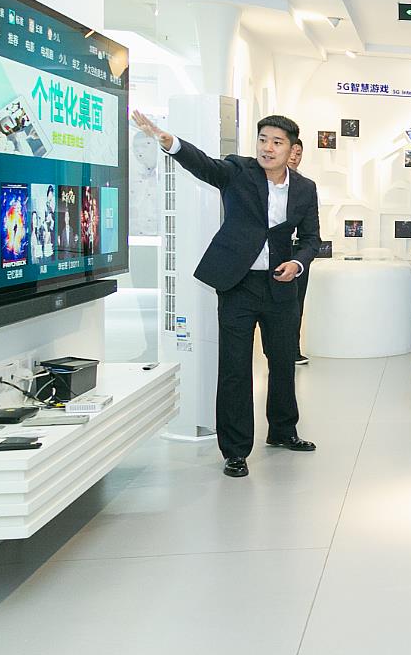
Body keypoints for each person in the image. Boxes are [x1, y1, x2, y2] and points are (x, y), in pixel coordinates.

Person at [131, 109, 322, 479]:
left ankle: (283, 430)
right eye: (263, 139)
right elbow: (203, 165)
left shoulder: (305, 188)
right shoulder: (238, 171)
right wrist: (169, 141)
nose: (267, 148)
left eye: (277, 142)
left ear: (292, 149)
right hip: (239, 284)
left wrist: (297, 264)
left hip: (281, 285)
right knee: (235, 368)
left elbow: (312, 239)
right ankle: (235, 450)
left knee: (283, 361)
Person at [288, 137, 313, 365]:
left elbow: (311, 231)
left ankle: (293, 350)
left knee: (297, 304)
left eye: (299, 153)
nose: (295, 157)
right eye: (292, 152)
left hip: (298, 253)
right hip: (277, 251)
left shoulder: (305, 186)